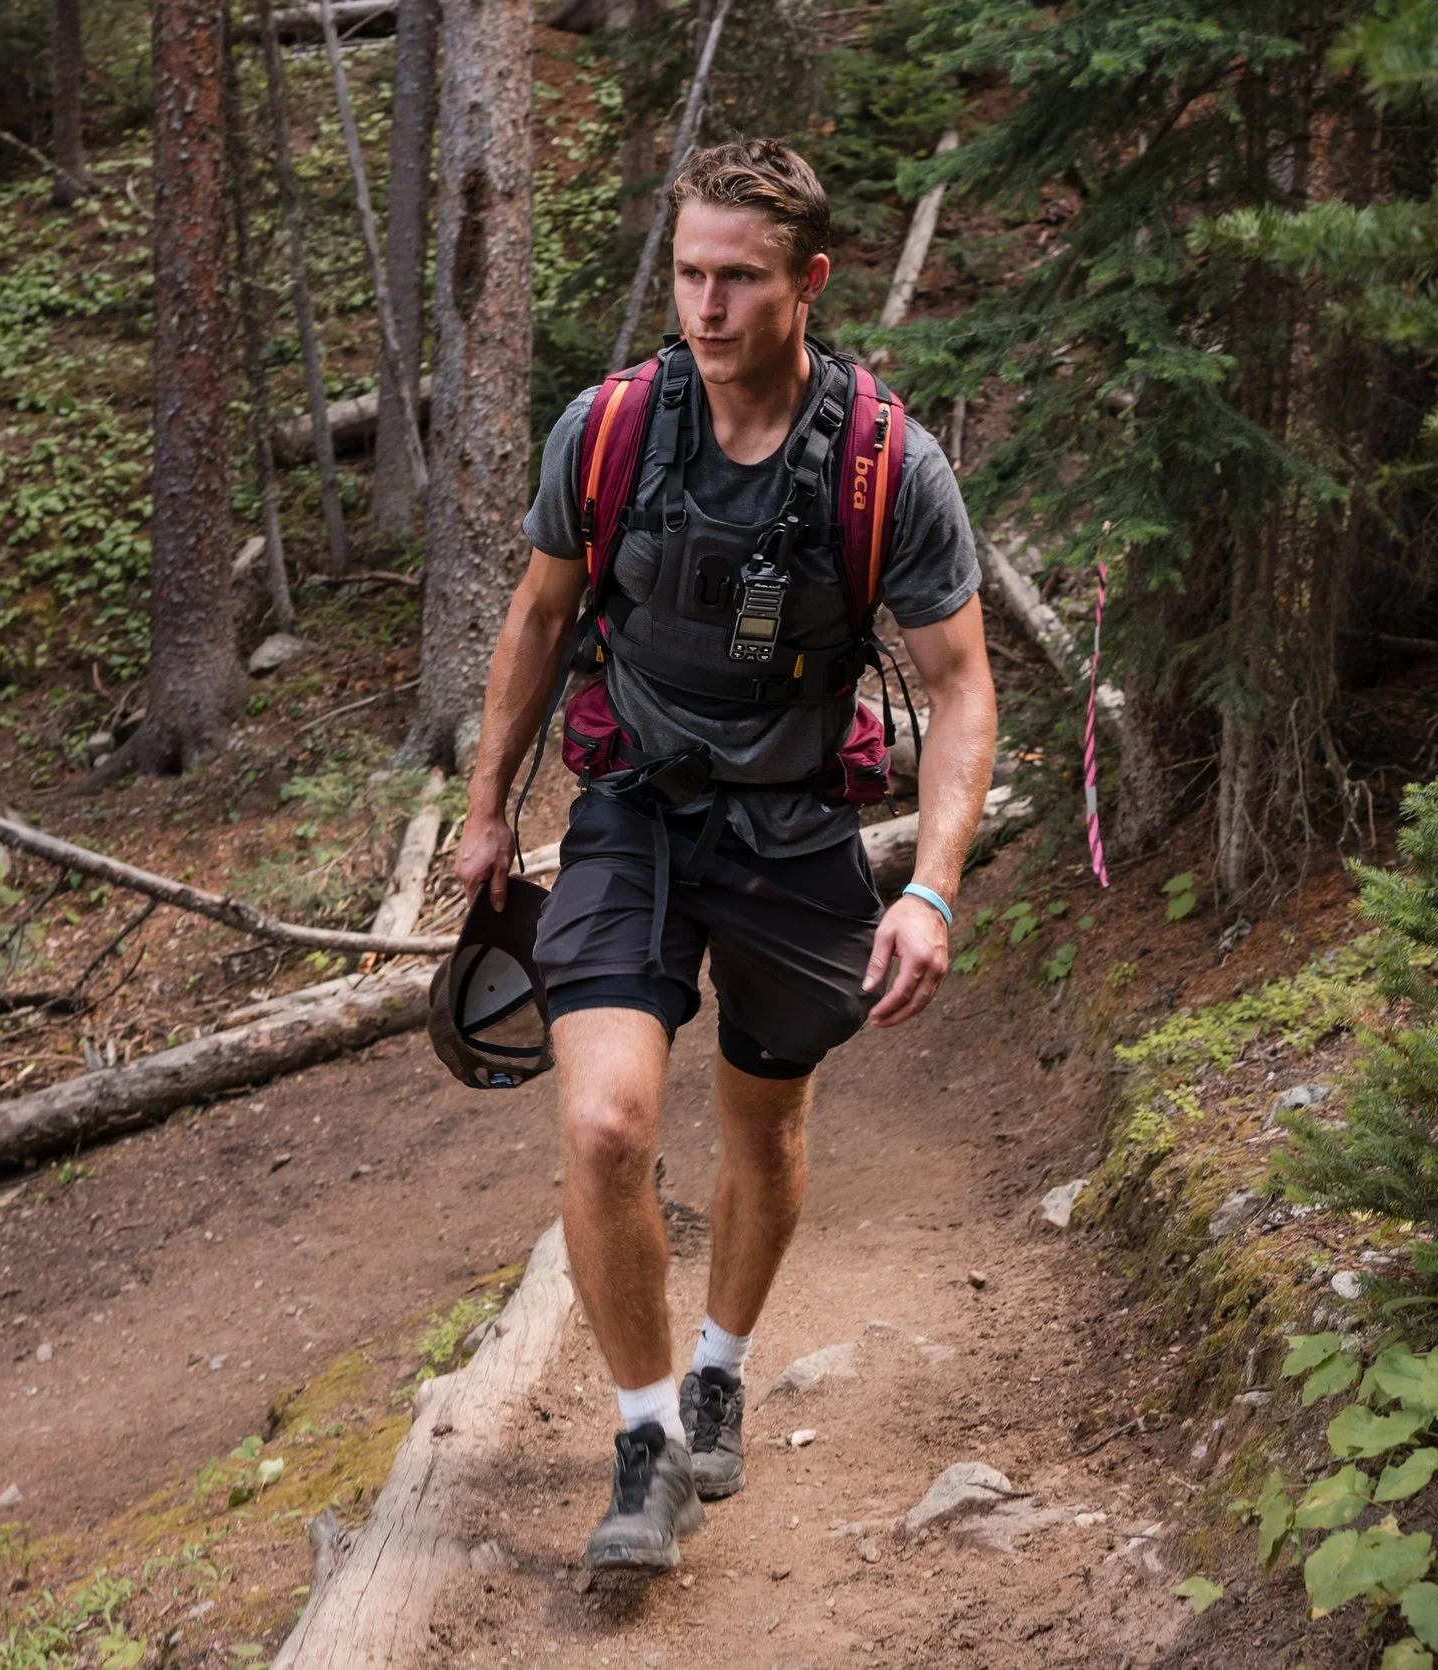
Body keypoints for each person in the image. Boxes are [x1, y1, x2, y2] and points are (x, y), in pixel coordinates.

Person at [450, 139, 996, 1572]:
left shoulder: (886, 465)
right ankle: (643, 1443)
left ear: (808, 281)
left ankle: (720, 1364)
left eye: (738, 280)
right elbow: (537, 616)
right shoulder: (614, 428)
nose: (704, 305)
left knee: (763, 1122)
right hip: (630, 803)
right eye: (689, 272)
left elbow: (959, 690)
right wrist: (491, 801)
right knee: (607, 1125)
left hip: (795, 824)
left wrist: (930, 885)